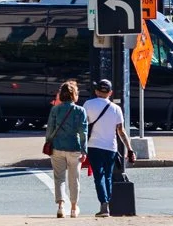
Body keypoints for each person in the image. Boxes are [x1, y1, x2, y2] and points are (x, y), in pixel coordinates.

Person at [82, 79, 133, 217]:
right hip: (111, 147)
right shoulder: (116, 109)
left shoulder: (88, 104)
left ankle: (103, 204)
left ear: (96, 91)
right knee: (108, 176)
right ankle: (107, 204)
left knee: (98, 176)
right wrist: (129, 148)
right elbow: (121, 131)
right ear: (110, 92)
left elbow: (83, 125)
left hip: (94, 145)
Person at [44, 80, 88, 218]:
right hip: (74, 148)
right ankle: (74, 208)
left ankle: (61, 206)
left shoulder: (55, 109)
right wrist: (84, 150)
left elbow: (50, 129)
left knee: (59, 178)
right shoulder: (80, 111)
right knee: (74, 179)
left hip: (57, 147)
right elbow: (83, 132)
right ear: (74, 94)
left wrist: (48, 143)